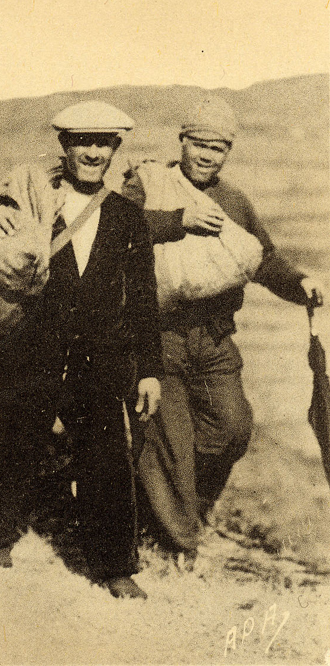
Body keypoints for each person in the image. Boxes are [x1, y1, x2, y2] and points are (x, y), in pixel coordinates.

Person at [0, 101, 162, 598]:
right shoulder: (28, 201)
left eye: (103, 142)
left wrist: (149, 371)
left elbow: (144, 301)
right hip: (28, 353)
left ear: (115, 150)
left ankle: (113, 565)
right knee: (12, 443)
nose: (93, 151)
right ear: (65, 146)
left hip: (98, 361)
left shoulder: (127, 218)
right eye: (82, 141)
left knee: (106, 458)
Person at [123, 97, 326, 560]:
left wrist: (300, 283)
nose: (207, 155)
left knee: (232, 429)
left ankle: (176, 509)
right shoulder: (150, 184)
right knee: (168, 440)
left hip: (214, 339)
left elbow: (263, 258)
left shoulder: (234, 201)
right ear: (183, 141)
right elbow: (116, 228)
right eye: (199, 144)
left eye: (218, 148)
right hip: (158, 337)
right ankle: (177, 546)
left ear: (227, 152)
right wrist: (178, 221)